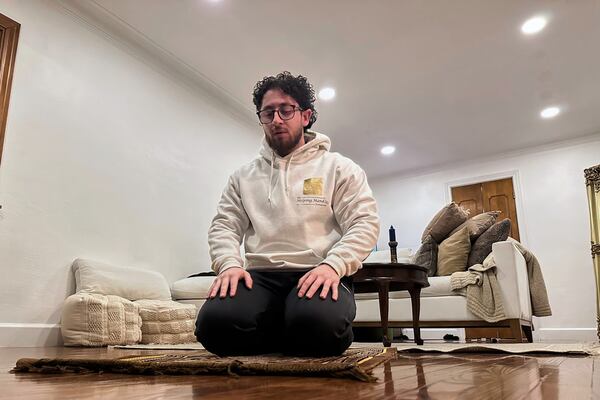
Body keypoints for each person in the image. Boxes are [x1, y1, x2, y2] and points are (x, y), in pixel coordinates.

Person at [195, 71, 380, 356]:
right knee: (212, 326)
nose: (277, 119)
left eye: (286, 110)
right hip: (258, 277)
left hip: (318, 271)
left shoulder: (339, 168)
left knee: (318, 326)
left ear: (305, 116)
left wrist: (334, 266)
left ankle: (298, 325)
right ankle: (286, 330)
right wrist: (229, 264)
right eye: (268, 113)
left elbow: (363, 222)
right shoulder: (242, 177)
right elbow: (225, 226)